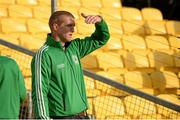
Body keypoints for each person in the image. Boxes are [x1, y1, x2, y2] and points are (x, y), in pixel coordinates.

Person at [31, 10, 110, 119]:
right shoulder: (44, 55)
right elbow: (40, 91)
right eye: (69, 26)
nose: (73, 30)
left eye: (74, 26)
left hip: (83, 116)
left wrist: (100, 22)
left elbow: (101, 39)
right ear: (55, 27)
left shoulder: (75, 47)